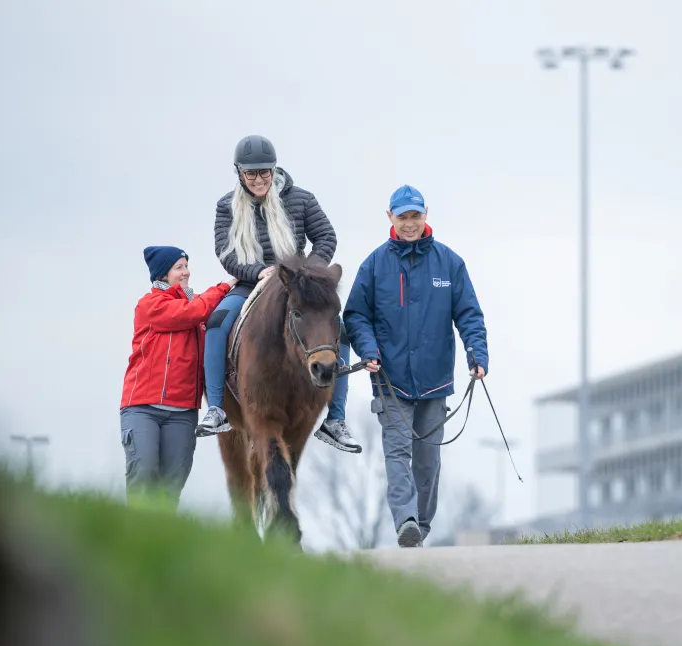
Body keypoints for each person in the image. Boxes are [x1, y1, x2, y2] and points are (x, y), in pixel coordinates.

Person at [343, 184, 489, 547]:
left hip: (435, 380)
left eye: (416, 216)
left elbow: (469, 314)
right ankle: (405, 520)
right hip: (390, 379)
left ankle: (420, 526)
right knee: (397, 452)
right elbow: (356, 315)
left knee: (427, 462)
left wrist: (477, 354)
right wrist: (368, 349)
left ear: (426, 215)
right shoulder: (375, 265)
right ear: (390, 217)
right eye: (403, 216)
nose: (410, 224)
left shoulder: (450, 264)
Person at [197, 134, 361, 453]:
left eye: (264, 172)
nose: (258, 179)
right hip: (251, 282)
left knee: (337, 330)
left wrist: (305, 273)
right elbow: (225, 252)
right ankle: (216, 408)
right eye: (251, 173)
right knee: (217, 323)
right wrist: (257, 271)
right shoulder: (225, 206)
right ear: (240, 173)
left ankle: (336, 419)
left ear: (274, 170)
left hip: (295, 284)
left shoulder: (302, 199)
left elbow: (326, 236)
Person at [119, 246, 236, 508]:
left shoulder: (195, 308)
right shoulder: (151, 305)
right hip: (142, 408)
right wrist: (224, 287)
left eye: (186, 266)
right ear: (163, 274)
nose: (186, 272)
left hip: (182, 412)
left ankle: (161, 542)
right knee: (144, 474)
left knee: (172, 485)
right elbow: (191, 313)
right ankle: (132, 540)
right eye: (179, 267)